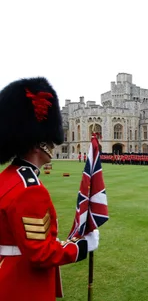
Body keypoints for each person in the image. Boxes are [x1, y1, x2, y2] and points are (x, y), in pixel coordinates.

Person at [0, 77, 99, 301]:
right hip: (23, 285)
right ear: (38, 143)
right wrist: (81, 247)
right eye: (50, 141)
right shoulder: (29, 189)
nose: (54, 146)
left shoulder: (7, 178)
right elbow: (40, 254)